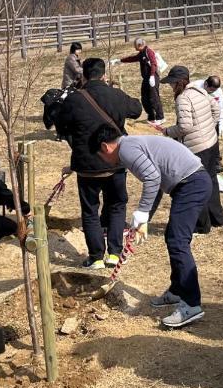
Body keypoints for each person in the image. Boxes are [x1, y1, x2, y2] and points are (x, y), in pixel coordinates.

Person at [90, 126, 212, 328]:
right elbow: (155, 182)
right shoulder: (131, 145)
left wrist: (143, 212)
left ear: (106, 147)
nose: (105, 162)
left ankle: (191, 304)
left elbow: (152, 178)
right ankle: (177, 290)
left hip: (193, 184)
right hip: (192, 183)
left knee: (178, 241)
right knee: (172, 237)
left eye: (101, 156)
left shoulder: (126, 150)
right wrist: (143, 218)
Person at [54, 58, 143, 269]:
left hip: (87, 165)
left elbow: (59, 123)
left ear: (83, 76)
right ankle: (114, 253)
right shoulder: (116, 95)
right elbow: (137, 109)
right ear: (103, 75)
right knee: (117, 205)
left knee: (90, 211)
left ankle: (95, 257)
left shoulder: (74, 99)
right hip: (116, 161)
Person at [157, 65, 223, 232]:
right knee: (211, 180)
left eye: (172, 83)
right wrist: (209, 126)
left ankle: (201, 225)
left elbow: (185, 127)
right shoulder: (199, 90)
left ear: (178, 82)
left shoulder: (183, 98)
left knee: (196, 186)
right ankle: (218, 218)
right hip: (211, 142)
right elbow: (216, 110)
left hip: (197, 148)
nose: (171, 86)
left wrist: (167, 131)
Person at [115, 38, 165, 126]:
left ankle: (160, 117)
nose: (134, 47)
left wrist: (152, 76)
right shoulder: (141, 53)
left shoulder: (148, 52)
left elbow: (154, 64)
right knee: (144, 98)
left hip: (152, 78)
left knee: (154, 98)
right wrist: (120, 60)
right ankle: (151, 117)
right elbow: (133, 58)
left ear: (139, 45)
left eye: (135, 45)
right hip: (146, 78)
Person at [191, 75, 223, 142]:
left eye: (214, 91)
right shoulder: (194, 87)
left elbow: (221, 108)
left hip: (211, 120)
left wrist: (221, 124)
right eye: (211, 90)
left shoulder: (218, 92)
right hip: (196, 119)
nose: (212, 92)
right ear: (206, 84)